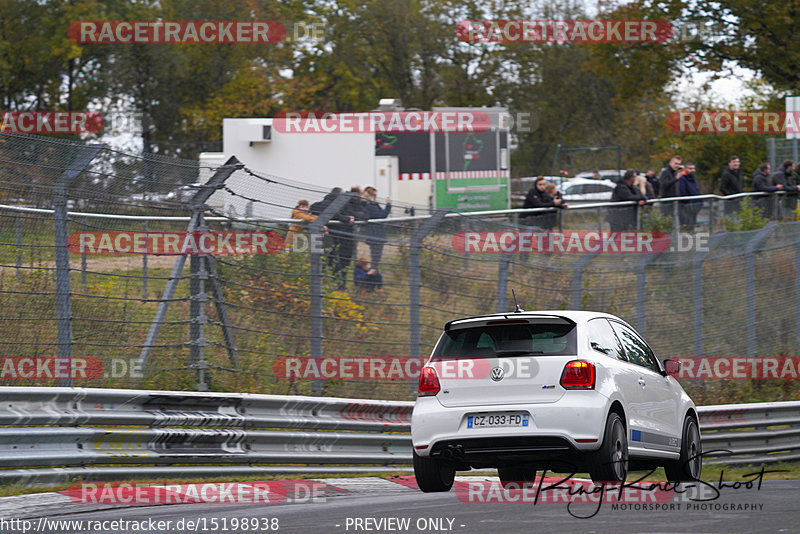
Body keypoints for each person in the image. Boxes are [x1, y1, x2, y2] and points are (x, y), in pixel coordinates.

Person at [310, 187, 356, 290]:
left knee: (324, 261)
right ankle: (338, 285)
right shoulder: (328, 204)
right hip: (328, 238)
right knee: (331, 261)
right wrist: (346, 219)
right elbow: (331, 213)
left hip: (323, 238)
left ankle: (325, 285)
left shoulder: (320, 204)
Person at [362, 186, 391, 269]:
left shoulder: (374, 205)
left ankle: (373, 269)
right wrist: (388, 204)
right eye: (374, 195)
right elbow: (382, 215)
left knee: (376, 256)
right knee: (376, 256)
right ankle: (373, 271)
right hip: (375, 235)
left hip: (376, 234)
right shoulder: (370, 207)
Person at [678, 163, 702, 232]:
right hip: (687, 207)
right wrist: (687, 203)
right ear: (685, 169)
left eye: (693, 168)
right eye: (690, 168)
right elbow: (682, 192)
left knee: (692, 225)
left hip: (695, 205)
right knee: (686, 227)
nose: (692, 170)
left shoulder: (693, 178)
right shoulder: (682, 179)